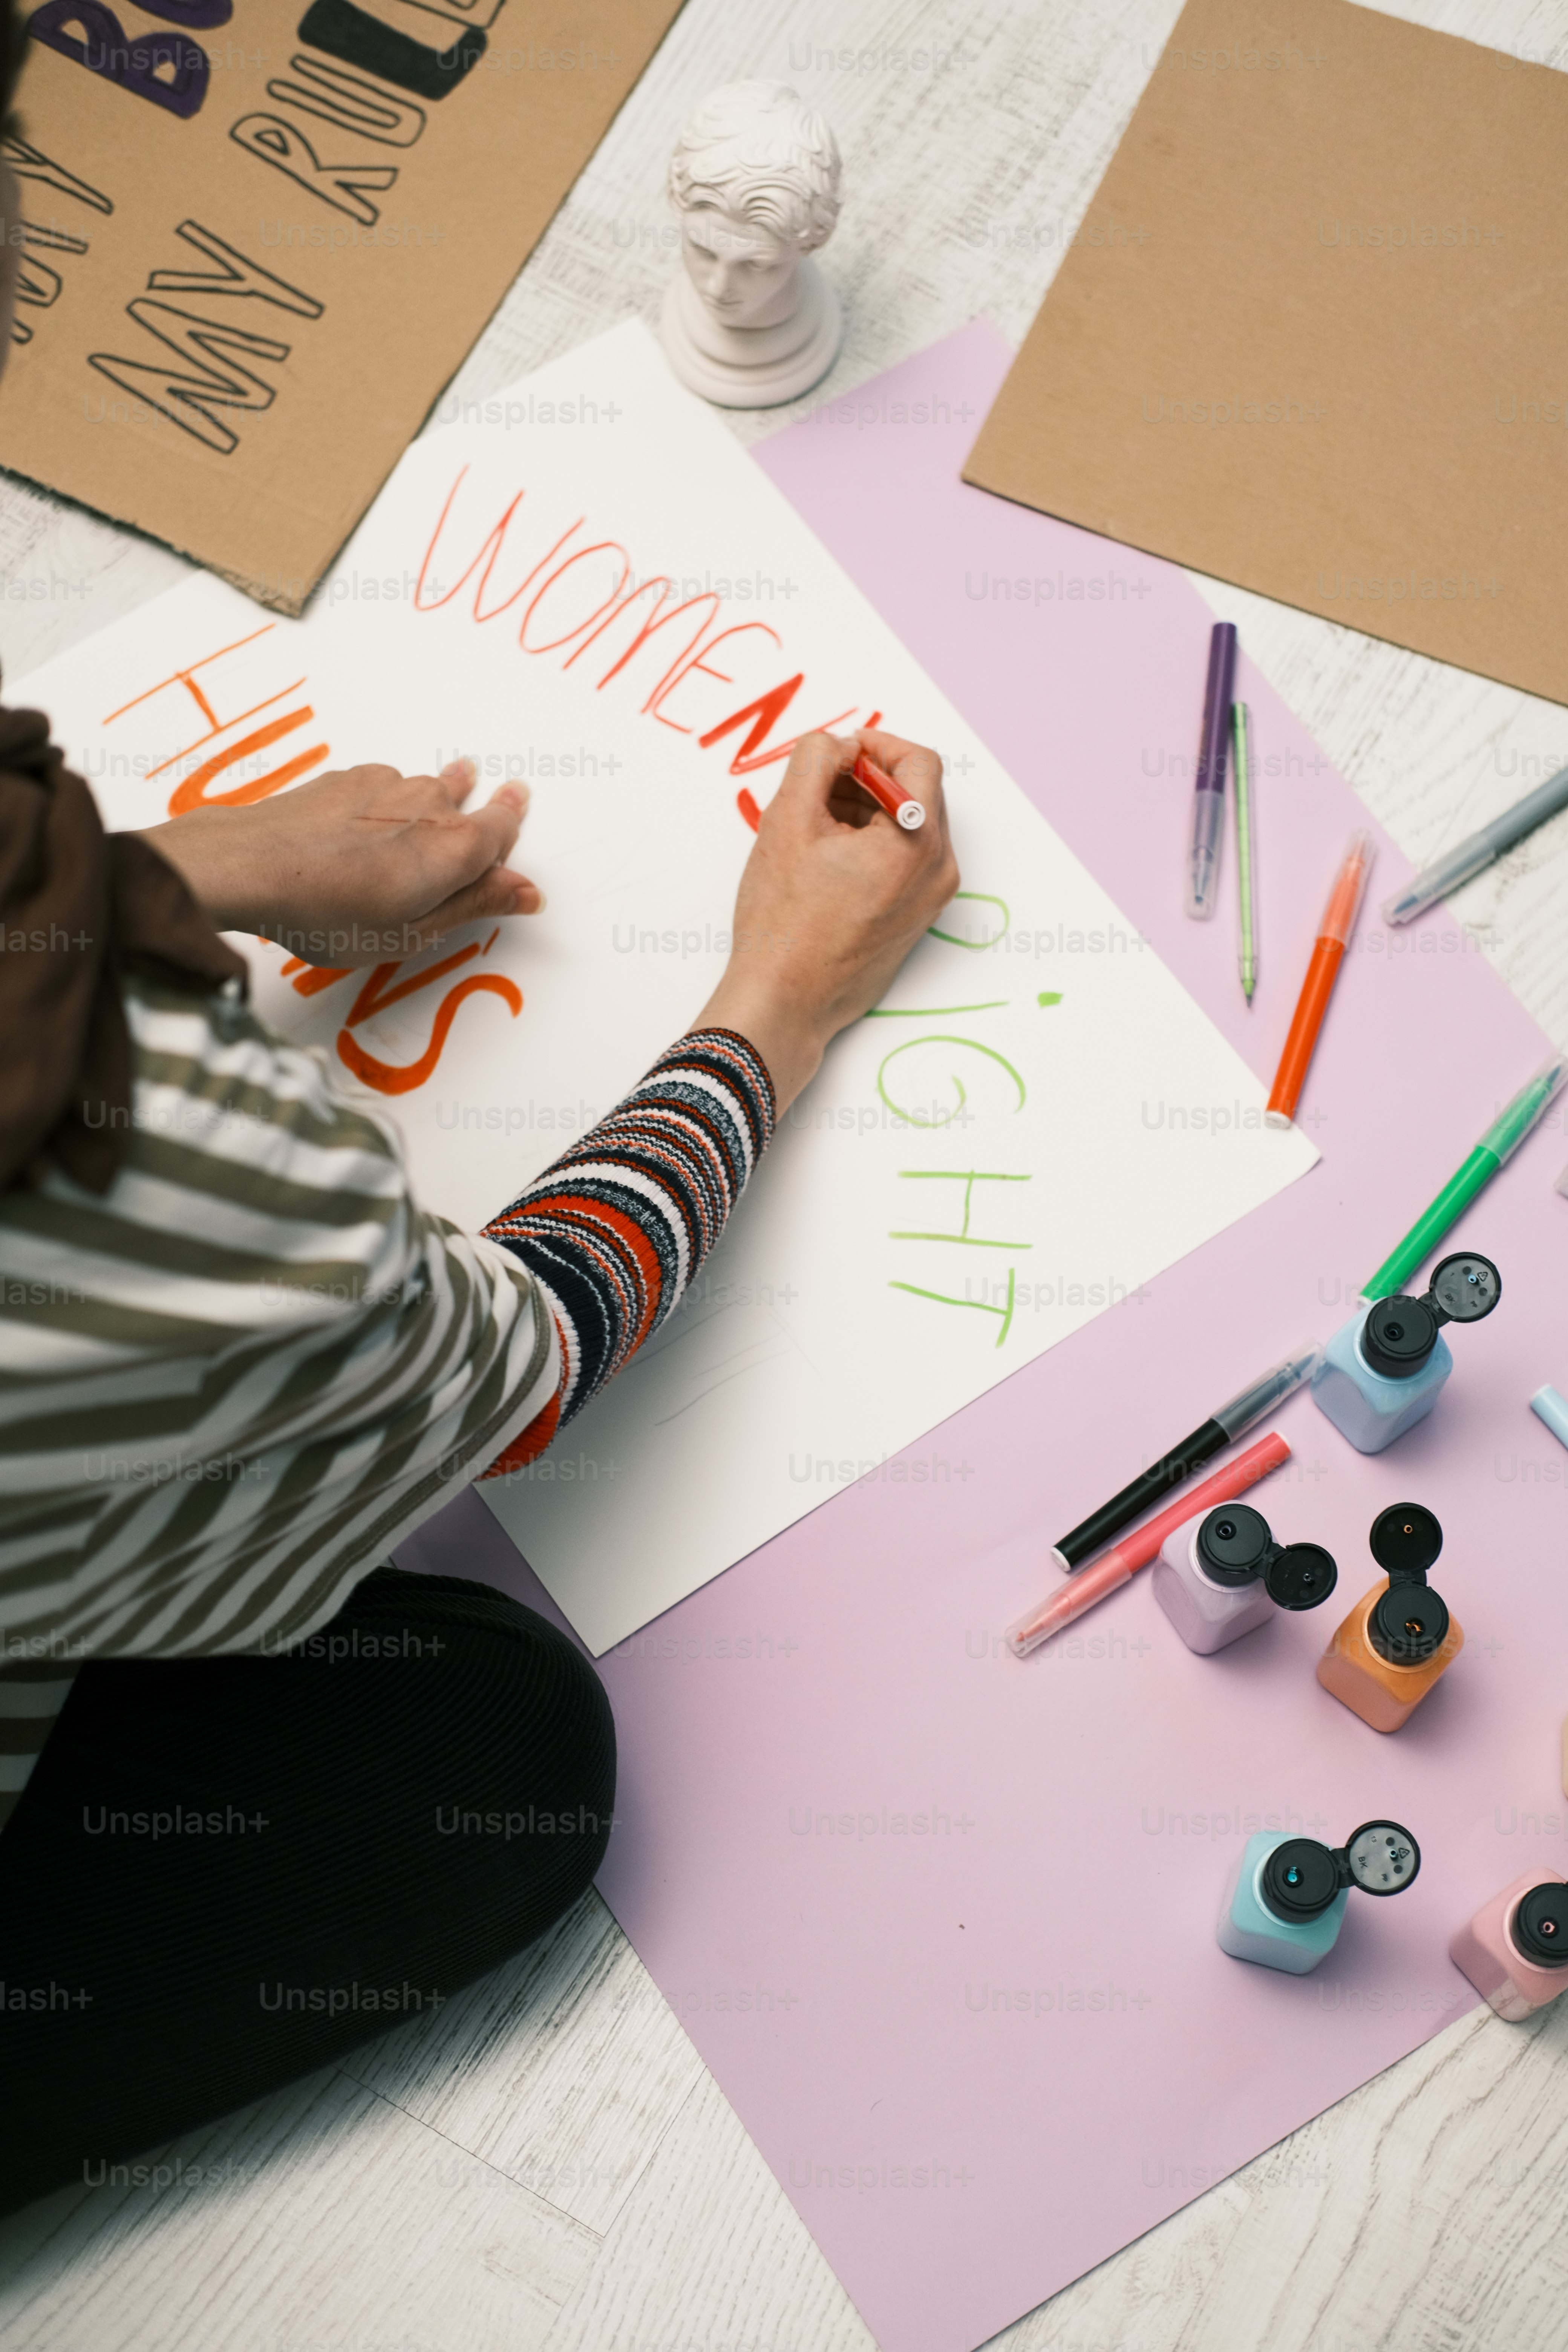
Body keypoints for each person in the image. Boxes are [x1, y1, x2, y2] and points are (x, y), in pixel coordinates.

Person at [0, 37, 958, 2211]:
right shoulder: (182, 1180)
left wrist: (179, 867)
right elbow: (509, 1367)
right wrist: (774, 999)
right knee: (497, 1765)